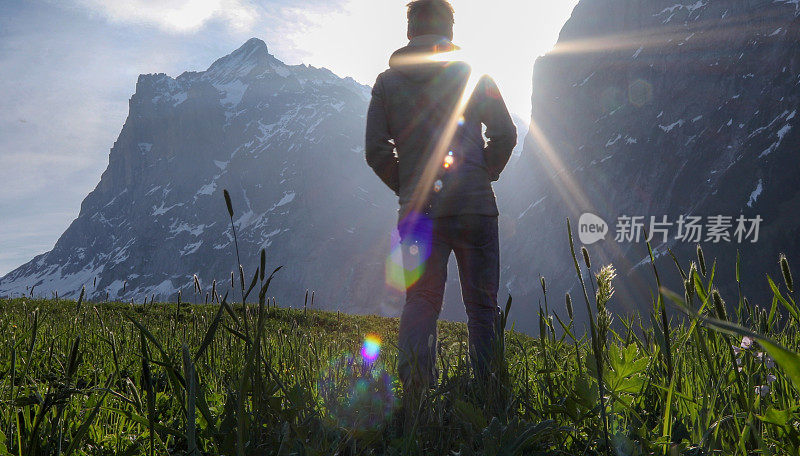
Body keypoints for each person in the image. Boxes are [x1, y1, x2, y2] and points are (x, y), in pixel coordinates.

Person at [365, 0, 517, 391]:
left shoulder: (386, 84)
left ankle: (416, 394)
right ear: (450, 30)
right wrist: (486, 172)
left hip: (420, 214)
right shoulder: (473, 75)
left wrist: (410, 187)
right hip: (476, 208)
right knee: (483, 307)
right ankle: (488, 394)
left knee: (421, 302)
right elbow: (505, 133)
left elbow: (376, 151)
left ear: (410, 30)